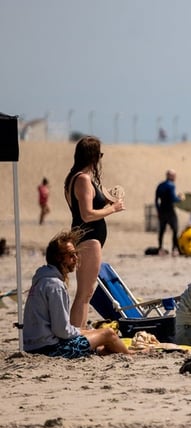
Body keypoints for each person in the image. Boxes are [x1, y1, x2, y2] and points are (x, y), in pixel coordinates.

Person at [22, 228, 130, 357]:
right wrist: (82, 331)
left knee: (100, 344)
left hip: (33, 346)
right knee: (108, 334)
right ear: (58, 258)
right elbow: (62, 331)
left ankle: (123, 352)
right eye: (71, 255)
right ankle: (130, 354)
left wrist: (84, 331)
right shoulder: (55, 285)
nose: (75, 258)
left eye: (76, 254)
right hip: (50, 349)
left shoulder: (41, 280)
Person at [63, 136, 125, 328]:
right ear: (94, 156)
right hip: (88, 239)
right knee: (84, 293)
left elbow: (104, 197)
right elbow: (87, 214)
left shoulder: (85, 178)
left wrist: (113, 197)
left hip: (89, 238)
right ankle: (77, 333)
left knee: (86, 293)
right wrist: (113, 209)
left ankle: (79, 331)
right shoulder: (82, 179)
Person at [155, 169, 182, 255]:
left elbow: (156, 200)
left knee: (162, 230)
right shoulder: (171, 185)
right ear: (170, 176)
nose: (175, 177)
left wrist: (158, 210)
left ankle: (160, 248)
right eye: (174, 176)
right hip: (170, 211)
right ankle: (174, 249)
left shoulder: (160, 185)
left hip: (162, 210)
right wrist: (180, 199)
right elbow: (173, 198)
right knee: (175, 229)